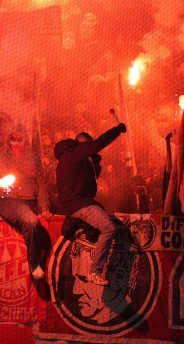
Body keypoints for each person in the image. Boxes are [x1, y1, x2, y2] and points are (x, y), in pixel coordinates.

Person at [53, 120, 126, 285]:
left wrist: (96, 162)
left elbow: (88, 182)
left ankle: (78, 226)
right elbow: (100, 143)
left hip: (79, 203)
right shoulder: (73, 153)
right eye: (88, 145)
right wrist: (117, 130)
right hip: (80, 204)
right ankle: (96, 271)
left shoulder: (74, 159)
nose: (89, 148)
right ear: (81, 143)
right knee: (109, 228)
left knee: (98, 229)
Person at [0, 127, 52, 279]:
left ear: (26, 139)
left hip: (30, 201)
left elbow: (41, 185)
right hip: (10, 201)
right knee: (31, 221)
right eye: (14, 139)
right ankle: (34, 264)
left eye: (20, 139)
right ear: (9, 140)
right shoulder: (3, 157)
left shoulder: (34, 158)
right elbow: (2, 178)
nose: (17, 142)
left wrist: (45, 207)